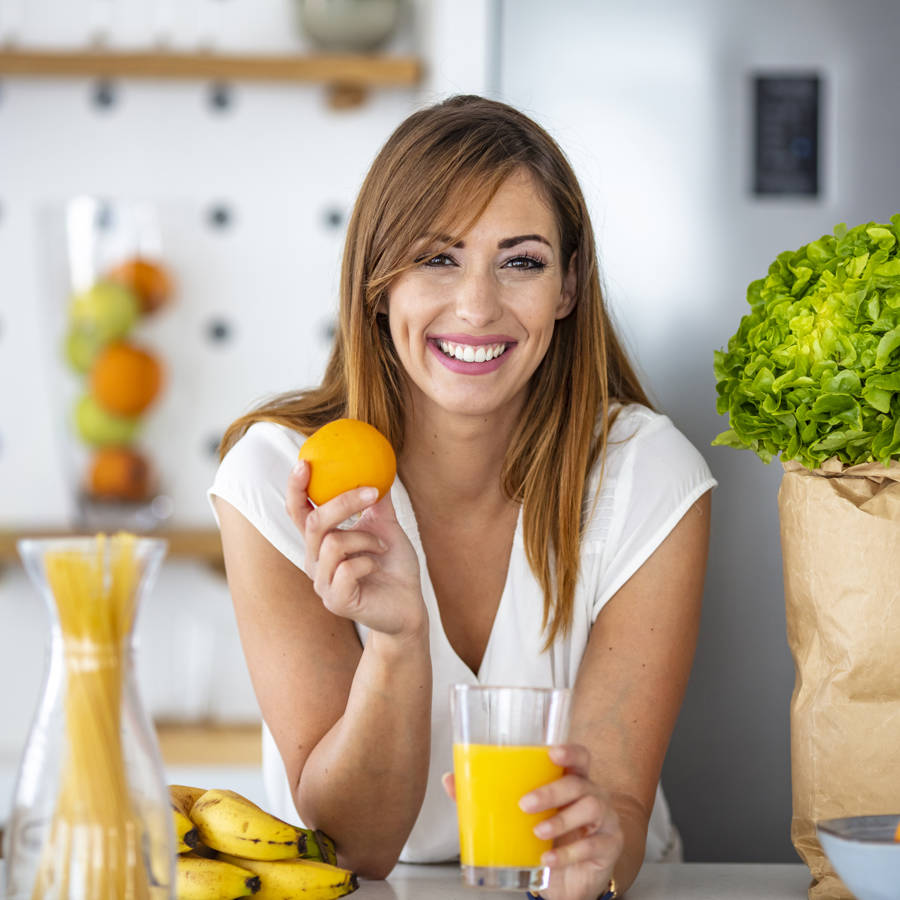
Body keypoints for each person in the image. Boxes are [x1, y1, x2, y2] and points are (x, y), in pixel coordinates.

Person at [209, 94, 716, 900]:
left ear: (568, 286)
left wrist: (594, 858)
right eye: (436, 258)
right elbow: (355, 849)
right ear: (378, 282)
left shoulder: (645, 476)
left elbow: (612, 805)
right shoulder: (278, 477)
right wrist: (400, 643)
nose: (476, 306)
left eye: (520, 261)